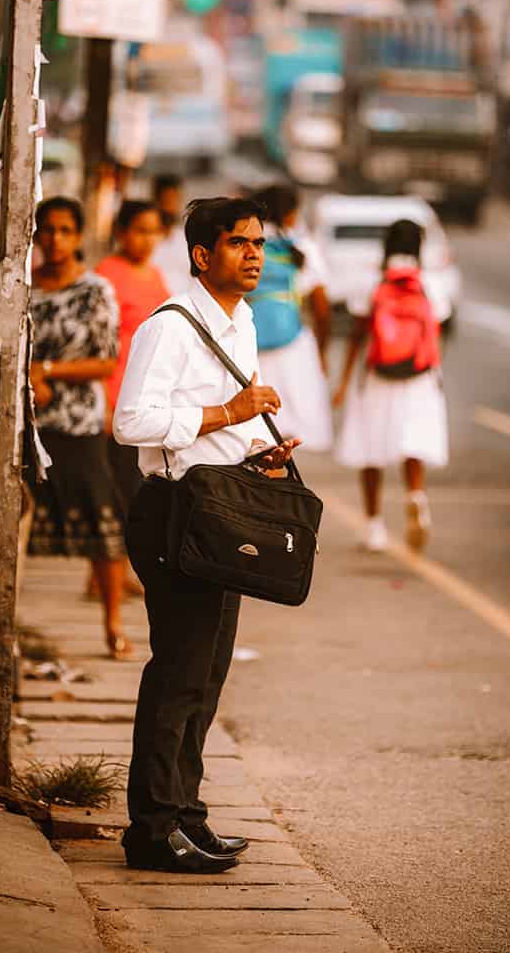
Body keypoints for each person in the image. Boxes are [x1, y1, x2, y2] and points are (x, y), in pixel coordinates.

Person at [113, 196, 301, 873]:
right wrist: (231, 411)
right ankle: (152, 829)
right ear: (202, 255)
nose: (254, 254)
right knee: (179, 672)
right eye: (238, 244)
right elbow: (132, 422)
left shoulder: (243, 322)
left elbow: (231, 430)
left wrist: (261, 449)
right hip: (173, 514)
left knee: (209, 673)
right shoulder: (169, 328)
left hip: (221, 514)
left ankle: (185, 813)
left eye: (258, 243)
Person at [26, 197, 134, 661]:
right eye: (46, 230)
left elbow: (106, 361)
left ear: (78, 236)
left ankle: (113, 623)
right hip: (26, 424)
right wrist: (27, 377)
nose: (54, 239)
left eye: (65, 230)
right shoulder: (21, 286)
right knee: (15, 525)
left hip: (77, 425)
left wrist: (45, 369)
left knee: (102, 525)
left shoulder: (95, 291)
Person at [333, 219, 446, 553]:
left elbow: (356, 337)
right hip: (419, 377)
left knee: (372, 450)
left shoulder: (372, 283)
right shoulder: (430, 285)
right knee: (412, 441)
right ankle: (415, 492)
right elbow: (437, 332)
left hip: (377, 376)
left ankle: (374, 526)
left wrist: (342, 382)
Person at [92, 199, 170, 599]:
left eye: (153, 230)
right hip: (114, 398)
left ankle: (110, 574)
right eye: (139, 229)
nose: (146, 239)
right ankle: (108, 575)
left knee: (133, 487)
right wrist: (105, 402)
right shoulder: (107, 275)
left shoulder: (155, 276)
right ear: (121, 231)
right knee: (121, 490)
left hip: (144, 399)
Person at [248, 184, 332, 451]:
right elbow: (321, 308)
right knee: (285, 425)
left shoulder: (248, 247)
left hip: (251, 347)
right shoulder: (302, 248)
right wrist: (322, 351)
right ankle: (275, 484)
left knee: (255, 427)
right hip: (291, 344)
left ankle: (260, 481)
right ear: (291, 214)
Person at [150, 173, 193, 293]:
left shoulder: (186, 239)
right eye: (165, 200)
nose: (169, 207)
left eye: (173, 200)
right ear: (156, 200)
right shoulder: (147, 241)